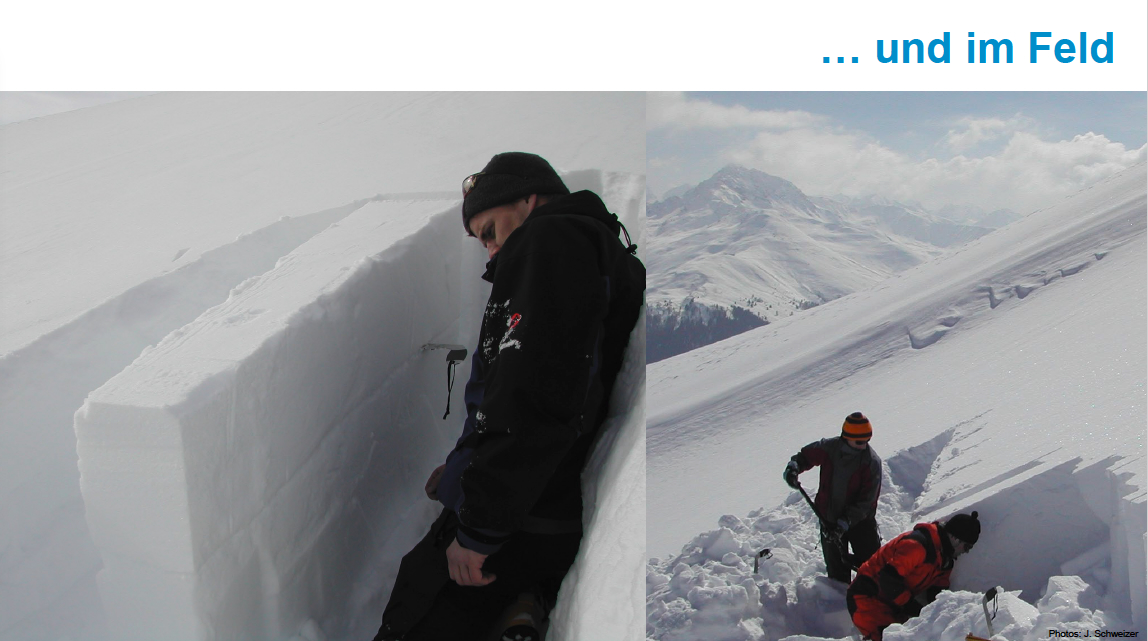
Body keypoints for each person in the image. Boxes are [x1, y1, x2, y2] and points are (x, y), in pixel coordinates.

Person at [372, 152, 645, 641]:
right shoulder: (582, 247)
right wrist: (461, 467)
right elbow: (542, 380)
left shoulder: (550, 241)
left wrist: (480, 528)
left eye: (491, 231)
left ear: (528, 200)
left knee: (413, 616)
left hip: (518, 520)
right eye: (482, 242)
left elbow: (531, 395)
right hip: (537, 508)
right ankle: (521, 605)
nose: (491, 250)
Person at [846, 511, 981, 641]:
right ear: (956, 539)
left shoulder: (944, 561)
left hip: (893, 605)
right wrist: (914, 608)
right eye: (967, 547)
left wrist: (945, 616)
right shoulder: (917, 546)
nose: (966, 552)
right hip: (866, 598)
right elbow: (888, 579)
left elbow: (938, 592)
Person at [783, 412, 882, 583]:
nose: (863, 445)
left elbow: (866, 502)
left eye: (867, 440)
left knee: (873, 567)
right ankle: (840, 596)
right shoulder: (830, 448)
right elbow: (805, 456)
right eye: (859, 442)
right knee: (837, 573)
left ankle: (875, 592)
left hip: (860, 523)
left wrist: (845, 522)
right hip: (829, 519)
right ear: (846, 437)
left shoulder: (871, 462)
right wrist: (794, 467)